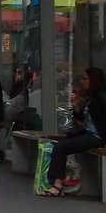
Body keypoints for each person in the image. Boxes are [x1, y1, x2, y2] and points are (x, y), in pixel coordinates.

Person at [44, 66, 106, 196]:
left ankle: (57, 185)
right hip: (89, 133)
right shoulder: (92, 97)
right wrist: (76, 107)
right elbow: (84, 119)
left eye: (85, 79)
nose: (82, 82)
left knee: (61, 147)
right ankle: (58, 182)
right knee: (59, 143)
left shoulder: (101, 97)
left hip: (97, 136)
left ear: (93, 80)